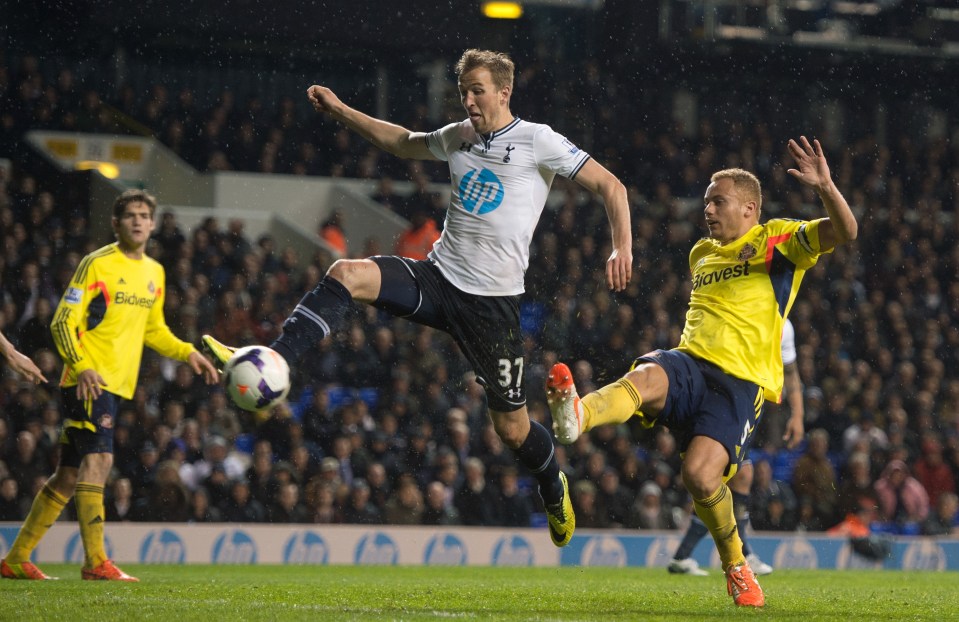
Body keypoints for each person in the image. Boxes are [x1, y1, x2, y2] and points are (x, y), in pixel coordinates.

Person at [202, 48, 632, 547]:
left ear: (504, 92)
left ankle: (551, 482)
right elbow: (404, 142)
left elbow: (611, 185)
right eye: (463, 91)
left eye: (477, 90)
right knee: (347, 273)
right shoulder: (459, 137)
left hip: (492, 306)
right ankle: (272, 358)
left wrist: (621, 246)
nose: (468, 100)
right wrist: (342, 110)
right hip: (438, 278)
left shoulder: (537, 140)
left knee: (513, 431)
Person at [546, 137, 857, 608]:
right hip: (690, 362)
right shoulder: (700, 254)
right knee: (648, 373)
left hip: (739, 383)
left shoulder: (777, 241)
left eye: (719, 201)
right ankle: (576, 416)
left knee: (699, 476)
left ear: (750, 209)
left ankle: (736, 566)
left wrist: (826, 187)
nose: (707, 209)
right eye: (707, 200)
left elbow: (846, 231)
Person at [1, 189, 218, 582]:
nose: (137, 221)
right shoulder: (96, 264)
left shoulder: (155, 272)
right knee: (99, 462)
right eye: (129, 215)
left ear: (152, 224)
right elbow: (62, 322)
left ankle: (16, 558)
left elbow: (154, 330)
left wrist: (188, 353)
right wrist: (82, 367)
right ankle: (96, 561)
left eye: (143, 215)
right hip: (88, 381)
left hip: (117, 385)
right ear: (115, 224)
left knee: (68, 475)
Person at [668, 318, 804, 576]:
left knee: (737, 476)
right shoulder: (740, 310)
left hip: (750, 407)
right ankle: (740, 556)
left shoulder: (784, 326)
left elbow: (791, 372)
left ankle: (685, 555)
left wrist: (797, 414)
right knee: (733, 475)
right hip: (723, 401)